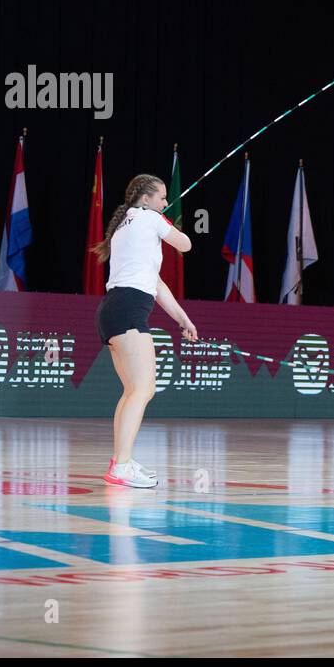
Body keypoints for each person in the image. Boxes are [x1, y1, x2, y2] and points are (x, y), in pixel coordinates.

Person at [90, 174, 197, 488]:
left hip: (114, 309)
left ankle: (120, 461)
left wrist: (183, 320)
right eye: (162, 197)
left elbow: (158, 285)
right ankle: (121, 466)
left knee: (133, 390)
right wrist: (165, 220)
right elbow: (186, 244)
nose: (166, 203)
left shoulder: (128, 224)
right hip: (127, 310)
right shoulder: (150, 218)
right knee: (143, 389)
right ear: (147, 198)